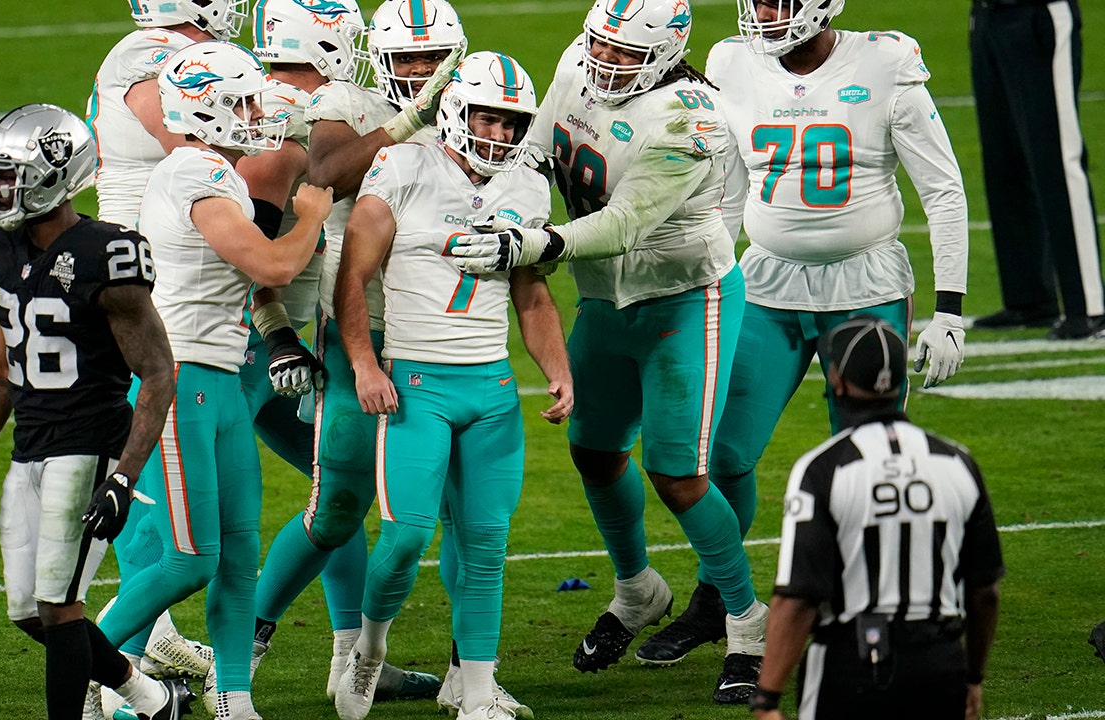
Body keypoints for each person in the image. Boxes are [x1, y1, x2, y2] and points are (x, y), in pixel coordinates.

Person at [638, 0, 971, 681]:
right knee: (724, 454)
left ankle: (866, 611)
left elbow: (943, 189)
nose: (762, 11)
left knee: (868, 464)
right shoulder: (732, 62)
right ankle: (720, 600)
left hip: (865, 285)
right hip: (765, 284)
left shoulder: (884, 61)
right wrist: (700, 277)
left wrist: (950, 311)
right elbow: (730, 185)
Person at [451, 0, 766, 704]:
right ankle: (636, 590)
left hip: (685, 300)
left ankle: (748, 623)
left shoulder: (691, 120)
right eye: (601, 43)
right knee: (594, 452)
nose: (606, 60)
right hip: (605, 300)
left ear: (667, 53)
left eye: (626, 53)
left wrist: (529, 243)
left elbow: (623, 224)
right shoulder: (578, 61)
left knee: (678, 474)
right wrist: (507, 206)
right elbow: (534, 153)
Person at [92, 40, 333, 720]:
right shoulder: (194, 171)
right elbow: (272, 266)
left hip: (219, 381)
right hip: (179, 384)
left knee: (237, 554)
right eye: (244, 103)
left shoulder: (213, 171)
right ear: (206, 110)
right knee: (191, 559)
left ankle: (234, 699)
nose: (257, 113)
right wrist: (313, 218)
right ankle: (86, 666)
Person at [331, 50, 572, 720]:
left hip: (491, 387)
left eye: (511, 122)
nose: (499, 133)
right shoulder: (403, 165)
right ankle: (369, 648)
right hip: (417, 382)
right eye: (488, 118)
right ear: (457, 110)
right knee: (406, 536)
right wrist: (364, 364)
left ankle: (476, 695)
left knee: (486, 547)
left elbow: (532, 293)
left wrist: (558, 370)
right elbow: (352, 275)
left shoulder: (527, 187)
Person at [247, 0, 468, 705]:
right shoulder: (348, 102)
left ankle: (468, 672)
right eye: (407, 58)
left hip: (452, 335)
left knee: (461, 510)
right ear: (379, 57)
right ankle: (240, 650)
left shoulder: (486, 104)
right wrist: (408, 121)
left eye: (432, 58)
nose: (421, 71)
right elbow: (327, 173)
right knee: (338, 504)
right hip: (359, 330)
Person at [0, 103, 189, 720]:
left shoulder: (108, 253)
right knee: (29, 611)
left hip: (88, 444)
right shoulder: (7, 248)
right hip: (31, 443)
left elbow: (159, 372)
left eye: (10, 176)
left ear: (54, 176)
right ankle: (152, 698)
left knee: (59, 608)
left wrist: (124, 477)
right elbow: (3, 365)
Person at [86, 0, 249, 686]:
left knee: (155, 478)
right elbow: (193, 137)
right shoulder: (149, 55)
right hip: (145, 283)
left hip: (160, 272)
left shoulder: (166, 53)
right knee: (143, 471)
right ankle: (114, 657)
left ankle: (149, 639)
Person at [750, 315, 1003, 720]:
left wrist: (766, 698)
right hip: (939, 663)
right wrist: (973, 677)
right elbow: (985, 590)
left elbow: (798, 597)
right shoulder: (957, 461)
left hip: (850, 665)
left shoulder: (822, 469)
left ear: (837, 379)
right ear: (900, 380)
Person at [969, 0, 1104, 340]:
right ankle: (1029, 299)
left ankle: (1089, 307)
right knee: (1004, 162)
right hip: (987, 16)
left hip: (1037, 12)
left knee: (1057, 157)